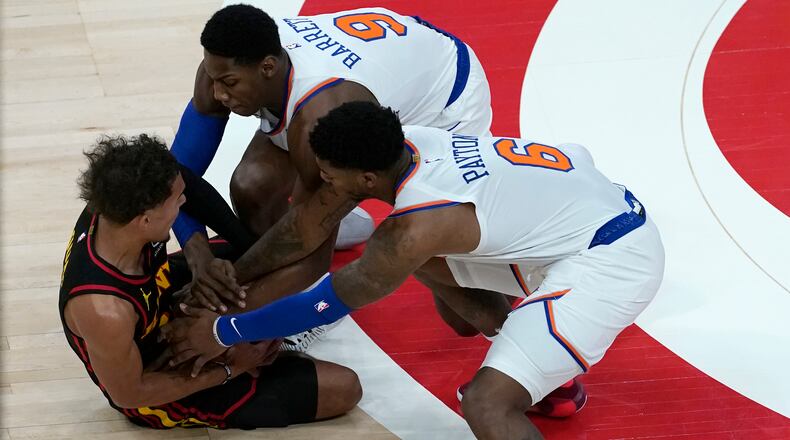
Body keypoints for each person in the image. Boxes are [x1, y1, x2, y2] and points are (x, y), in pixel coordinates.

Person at [164, 102, 665, 438]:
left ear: (364, 177)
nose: (320, 179)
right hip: (568, 223)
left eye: (327, 173)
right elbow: (305, 229)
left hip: (608, 258)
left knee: (487, 406)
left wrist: (227, 329)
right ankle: (544, 374)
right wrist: (236, 273)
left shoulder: (417, 225)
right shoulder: (413, 143)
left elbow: (334, 297)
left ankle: (531, 373)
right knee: (427, 274)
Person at [171, 4, 493, 310]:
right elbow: (171, 176)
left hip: (445, 97)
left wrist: (230, 294)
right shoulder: (225, 65)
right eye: (214, 80)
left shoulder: (320, 112)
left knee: (459, 292)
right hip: (380, 62)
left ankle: (308, 300)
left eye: (228, 84)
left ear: (268, 67)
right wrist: (198, 254)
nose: (218, 94)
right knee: (252, 185)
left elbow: (311, 250)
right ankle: (319, 250)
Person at [59, 134, 361, 429]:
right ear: (146, 220)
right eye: (177, 201)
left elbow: (192, 188)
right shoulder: (105, 311)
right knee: (345, 388)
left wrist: (211, 256)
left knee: (275, 247)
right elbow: (129, 393)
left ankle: (252, 330)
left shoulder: (116, 202)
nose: (184, 200)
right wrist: (230, 368)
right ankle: (264, 338)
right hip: (160, 381)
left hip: (165, 300)